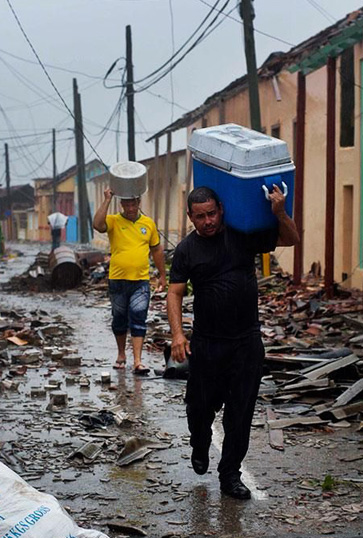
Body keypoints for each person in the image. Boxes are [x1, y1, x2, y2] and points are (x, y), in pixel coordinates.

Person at [166, 185, 299, 500]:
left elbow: (291, 238)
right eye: (200, 216)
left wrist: (280, 212)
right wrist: (177, 334)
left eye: (212, 213)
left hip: (246, 343)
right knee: (199, 408)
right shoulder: (186, 250)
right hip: (208, 344)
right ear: (190, 217)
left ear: (221, 209)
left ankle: (230, 476)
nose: (208, 221)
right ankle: (200, 443)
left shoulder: (243, 235)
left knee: (240, 414)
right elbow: (175, 292)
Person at [93, 187, 166, 375]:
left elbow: (157, 250)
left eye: (134, 203)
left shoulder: (148, 224)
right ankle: (121, 355)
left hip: (141, 281)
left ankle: (138, 361)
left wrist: (162, 275)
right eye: (127, 203)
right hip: (117, 280)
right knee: (119, 319)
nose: (131, 207)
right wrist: (107, 200)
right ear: (122, 204)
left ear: (139, 203)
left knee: (138, 316)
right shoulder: (114, 221)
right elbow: (97, 224)